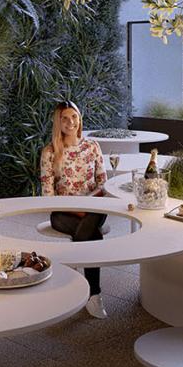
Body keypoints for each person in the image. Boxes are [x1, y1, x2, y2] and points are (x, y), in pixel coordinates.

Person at [39, 101, 110, 319]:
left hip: (93, 207)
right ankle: (93, 295)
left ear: (79, 119)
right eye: (65, 118)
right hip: (63, 212)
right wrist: (73, 207)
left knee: (91, 222)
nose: (70, 122)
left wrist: (86, 202)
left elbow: (102, 183)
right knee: (93, 235)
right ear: (58, 122)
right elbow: (47, 195)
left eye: (74, 117)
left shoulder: (92, 146)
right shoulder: (50, 152)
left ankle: (74, 280)